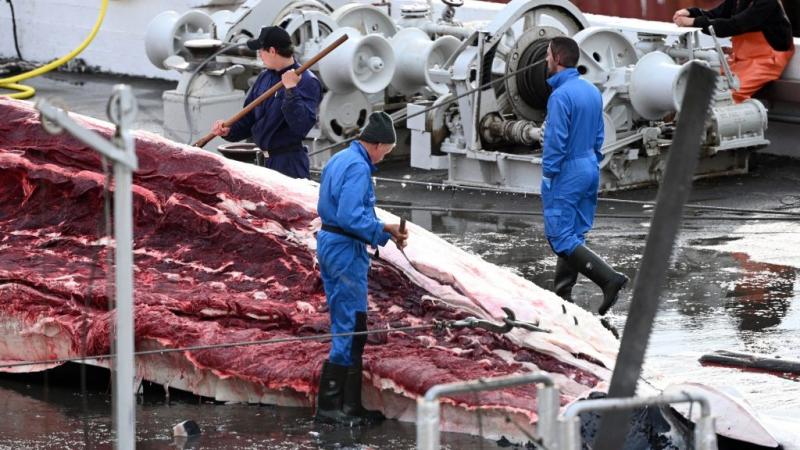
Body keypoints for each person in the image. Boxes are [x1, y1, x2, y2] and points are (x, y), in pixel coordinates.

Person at [314, 112, 409, 425]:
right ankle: (330, 409)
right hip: (344, 249)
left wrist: (384, 230)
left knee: (355, 325)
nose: (385, 156)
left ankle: (350, 406)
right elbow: (351, 217)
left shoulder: (341, 158)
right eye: (387, 150)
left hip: (335, 244)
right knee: (350, 325)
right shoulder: (357, 168)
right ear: (377, 144)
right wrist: (385, 230)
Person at [541, 36, 629, 316]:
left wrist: (549, 173)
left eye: (546, 55)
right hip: (590, 165)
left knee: (559, 235)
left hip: (567, 170)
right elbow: (600, 133)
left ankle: (609, 279)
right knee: (574, 232)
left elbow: (556, 140)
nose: (545, 60)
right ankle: (563, 294)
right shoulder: (591, 91)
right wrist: (593, 160)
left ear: (556, 58)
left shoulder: (560, 96)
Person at [212, 26, 321, 178]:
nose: (259, 55)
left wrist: (291, 90)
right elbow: (248, 118)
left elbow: (300, 126)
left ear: (272, 51)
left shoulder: (307, 81)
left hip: (288, 165)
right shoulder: (264, 77)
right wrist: (229, 130)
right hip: (262, 162)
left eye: (260, 51)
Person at [673, 0, 795, 103]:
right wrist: (690, 13)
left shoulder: (768, 2)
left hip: (767, 60)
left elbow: (735, 25)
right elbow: (717, 14)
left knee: (727, 95)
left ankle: (716, 128)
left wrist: (694, 22)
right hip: (741, 57)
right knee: (701, 86)